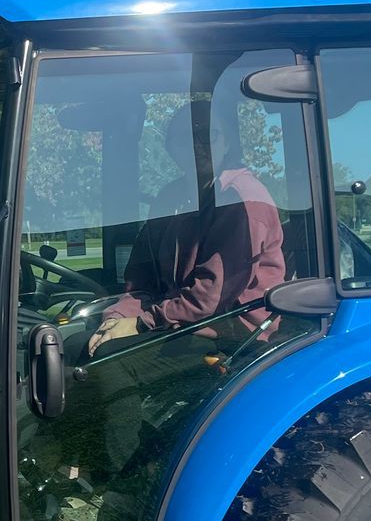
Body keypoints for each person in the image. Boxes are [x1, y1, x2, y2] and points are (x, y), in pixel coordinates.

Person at [91, 108, 285, 352]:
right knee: (77, 348)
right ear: (171, 148)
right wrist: (118, 316)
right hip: (179, 325)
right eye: (185, 138)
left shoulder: (242, 200)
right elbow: (141, 275)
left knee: (99, 374)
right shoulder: (169, 199)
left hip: (233, 336)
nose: (197, 146)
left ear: (227, 144)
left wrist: (142, 323)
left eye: (208, 136)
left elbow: (210, 298)